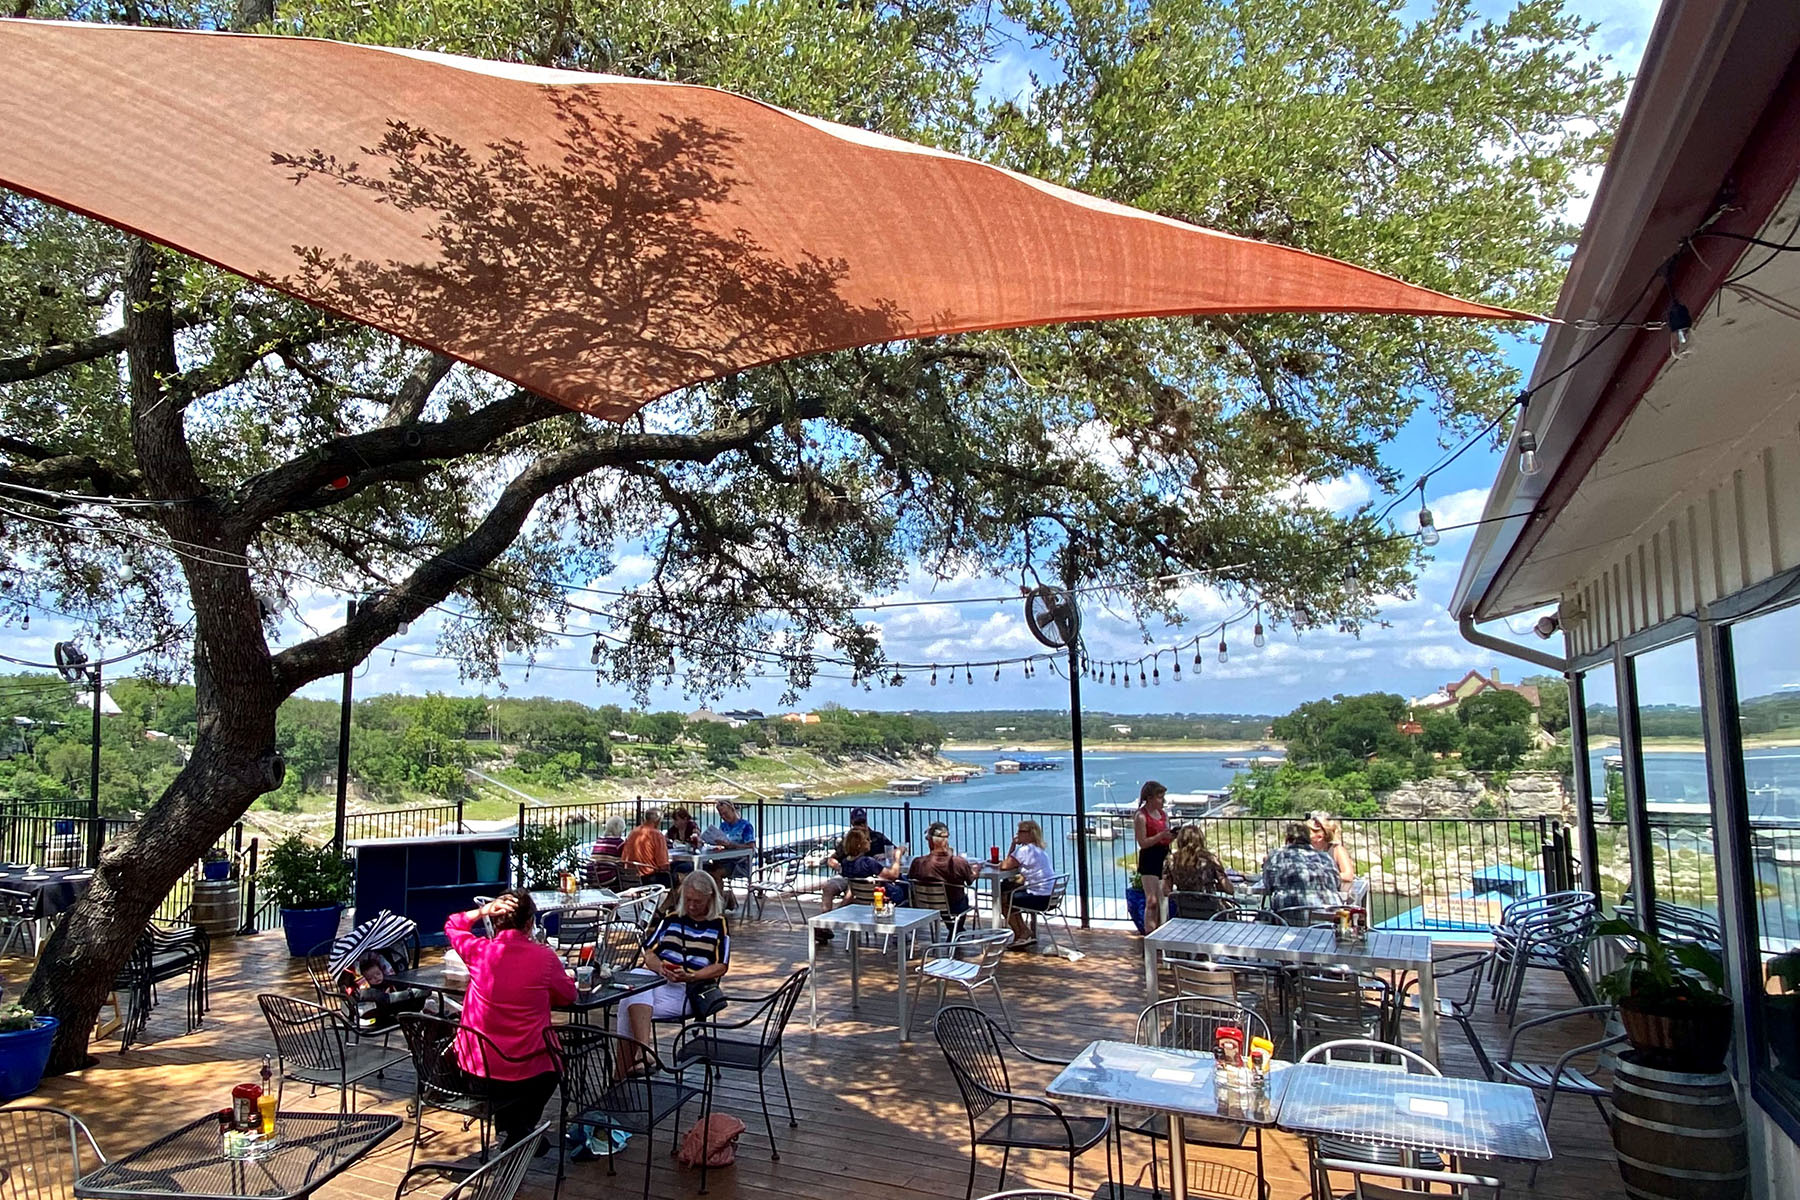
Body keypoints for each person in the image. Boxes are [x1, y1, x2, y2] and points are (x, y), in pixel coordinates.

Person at [445, 891, 574, 1152]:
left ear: (496, 921)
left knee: (518, 1063)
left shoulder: (479, 952)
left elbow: (453, 924)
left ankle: (517, 1130)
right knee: (554, 1061)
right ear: (529, 924)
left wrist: (481, 912)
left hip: (475, 1071)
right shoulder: (544, 958)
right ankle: (520, 1131)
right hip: (526, 1074)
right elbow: (568, 996)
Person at [616, 871, 731, 1074]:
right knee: (638, 976)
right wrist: (659, 967)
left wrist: (693, 976)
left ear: (710, 900)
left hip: (689, 989)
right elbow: (648, 952)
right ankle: (643, 1053)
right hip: (659, 981)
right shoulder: (671, 919)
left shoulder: (718, 925)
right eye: (687, 900)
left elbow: (721, 965)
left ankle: (621, 1077)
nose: (692, 906)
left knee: (627, 1003)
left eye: (697, 901)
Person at [815, 807, 898, 930]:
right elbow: (832, 859)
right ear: (852, 823)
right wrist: (837, 866)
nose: (860, 826)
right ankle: (826, 921)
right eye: (857, 823)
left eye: (862, 822)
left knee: (851, 891)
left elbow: (894, 849)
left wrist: (885, 854)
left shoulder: (877, 837)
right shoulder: (849, 839)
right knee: (829, 888)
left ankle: (828, 923)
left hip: (867, 879)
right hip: (848, 874)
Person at [1261, 821, 1344, 923]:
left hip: (1290, 919)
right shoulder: (1325, 857)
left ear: (1287, 839)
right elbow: (1336, 883)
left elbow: (1268, 885)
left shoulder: (1276, 856)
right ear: (1308, 839)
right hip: (1329, 918)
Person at [999, 819, 1056, 949]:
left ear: (1030, 834)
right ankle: (1023, 933)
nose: (1017, 834)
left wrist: (1013, 845)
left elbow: (1005, 866)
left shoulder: (1025, 851)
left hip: (1039, 898)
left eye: (1021, 831)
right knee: (1008, 893)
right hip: (1050, 896)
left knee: (1002, 899)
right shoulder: (1038, 850)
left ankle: (1022, 933)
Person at [908, 821, 977, 915]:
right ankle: (956, 928)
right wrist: (977, 870)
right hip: (954, 907)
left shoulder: (918, 863)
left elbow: (910, 880)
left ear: (930, 842)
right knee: (960, 898)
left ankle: (952, 927)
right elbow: (970, 880)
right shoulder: (959, 863)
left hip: (925, 907)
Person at [1162, 826, 1233, 917]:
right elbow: (1229, 889)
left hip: (1184, 911)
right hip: (1211, 911)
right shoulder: (1210, 859)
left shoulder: (1171, 860)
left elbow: (1165, 891)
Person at [1133, 781, 1174, 933]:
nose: (1162, 801)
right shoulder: (1141, 816)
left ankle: (1163, 933)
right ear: (1150, 798)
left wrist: (1170, 836)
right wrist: (1160, 835)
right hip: (1149, 857)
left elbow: (1165, 838)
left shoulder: (1163, 815)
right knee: (1152, 901)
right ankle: (1150, 936)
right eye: (1159, 797)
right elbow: (1142, 842)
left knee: (1164, 900)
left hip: (1163, 855)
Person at [706, 799, 757, 911]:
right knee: (704, 871)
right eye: (721, 815)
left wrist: (731, 845)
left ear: (732, 810)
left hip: (740, 863)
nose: (724, 817)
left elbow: (751, 847)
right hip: (725, 860)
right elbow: (723, 843)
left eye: (725, 813)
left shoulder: (746, 826)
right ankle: (723, 898)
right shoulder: (723, 826)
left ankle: (718, 906)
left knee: (716, 874)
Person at [620, 807, 672, 887]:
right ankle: (669, 899)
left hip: (629, 877)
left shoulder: (633, 832)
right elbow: (663, 866)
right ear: (658, 821)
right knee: (681, 875)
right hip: (647, 878)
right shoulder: (656, 835)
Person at [1309, 811, 1356, 890]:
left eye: (1308, 832)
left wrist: (1322, 875)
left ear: (1320, 837)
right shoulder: (1306, 850)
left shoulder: (1337, 850)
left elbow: (1348, 875)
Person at [588, 815, 627, 887]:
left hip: (592, 878)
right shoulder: (619, 843)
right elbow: (624, 862)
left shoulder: (599, 840)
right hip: (607, 879)